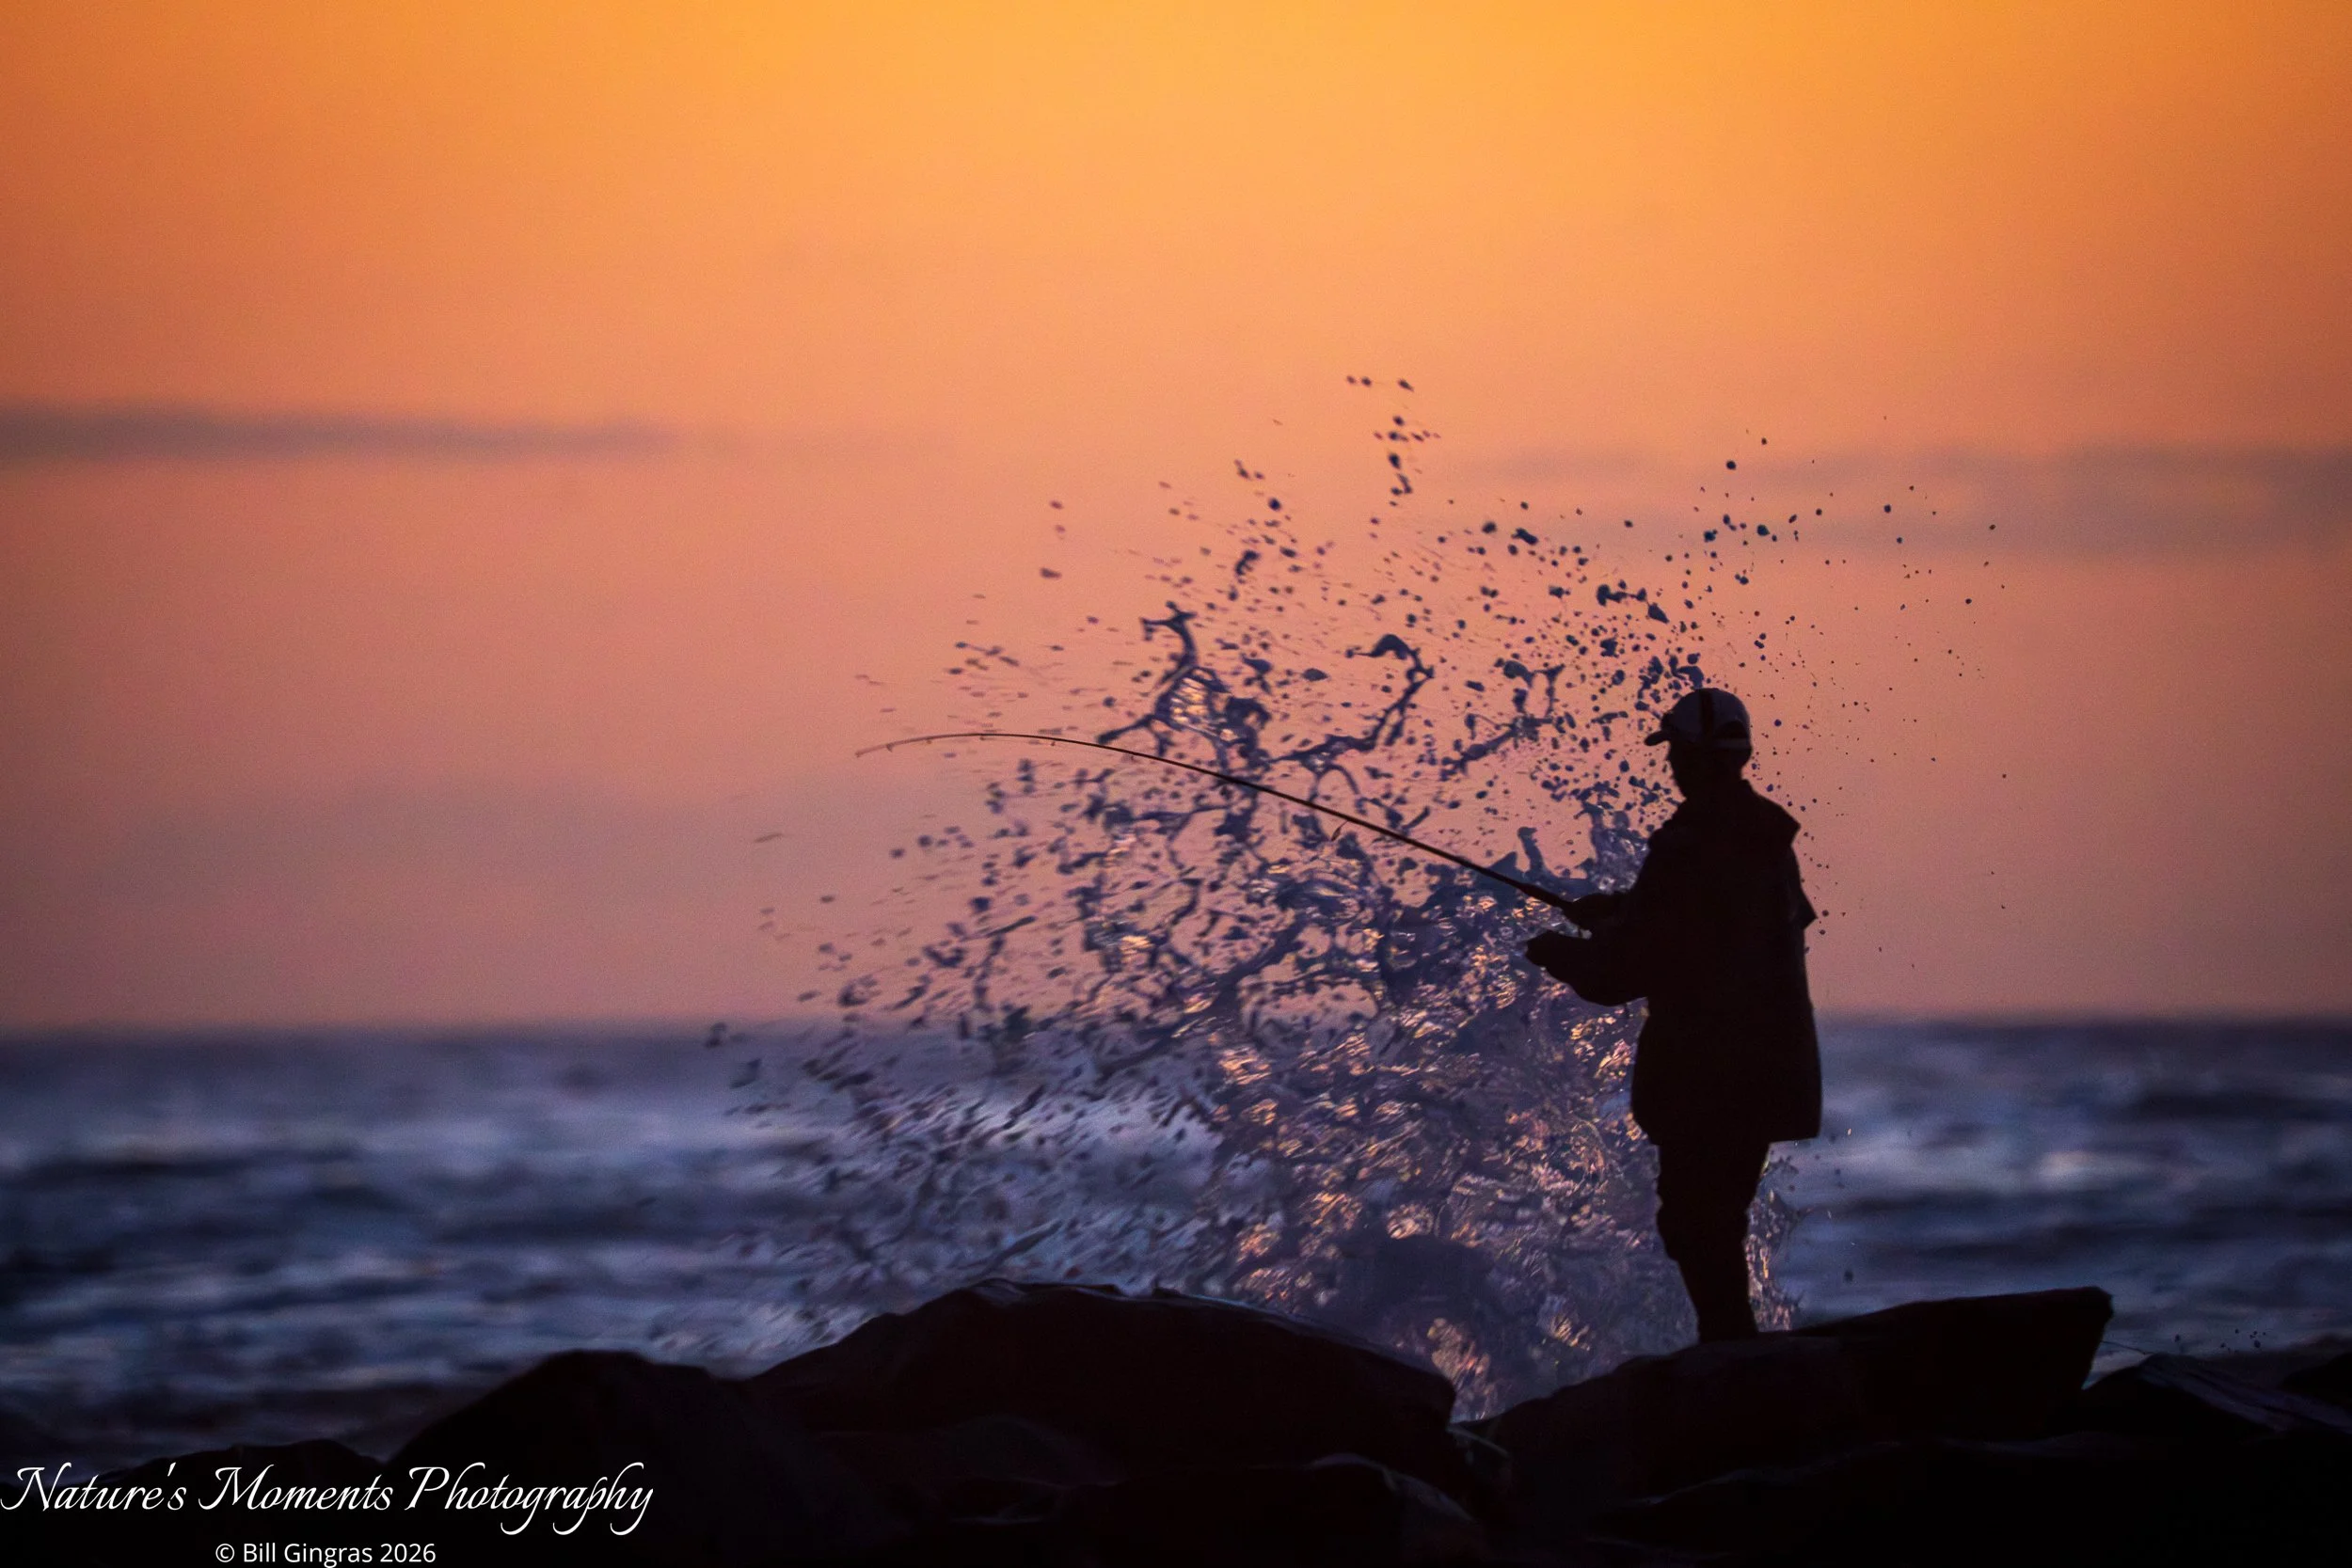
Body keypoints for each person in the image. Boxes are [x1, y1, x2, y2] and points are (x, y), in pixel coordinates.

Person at [1523, 688, 1821, 1341]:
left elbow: (1626, 972)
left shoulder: (1687, 846)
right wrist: (1622, 913)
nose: (1671, 767)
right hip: (1769, 1072)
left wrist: (1555, 952)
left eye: (1676, 754)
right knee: (1718, 1216)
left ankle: (1731, 1359)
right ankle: (1736, 1351)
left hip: (1708, 1076)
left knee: (1694, 1221)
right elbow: (1710, 927)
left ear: (1687, 757)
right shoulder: (1769, 842)